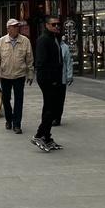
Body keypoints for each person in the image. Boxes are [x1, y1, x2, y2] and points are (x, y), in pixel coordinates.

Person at [0, 19, 33, 134]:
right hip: (5, 75)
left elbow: (29, 59)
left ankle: (17, 124)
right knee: (6, 99)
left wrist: (30, 73)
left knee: (19, 100)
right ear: (8, 28)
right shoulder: (1, 42)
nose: (16, 28)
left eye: (17, 26)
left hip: (19, 75)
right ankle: (9, 120)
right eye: (14, 26)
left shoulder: (25, 41)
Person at [32, 17, 65, 152]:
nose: (57, 26)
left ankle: (46, 137)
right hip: (48, 79)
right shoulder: (43, 39)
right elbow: (41, 62)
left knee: (51, 107)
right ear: (46, 25)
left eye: (58, 24)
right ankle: (39, 135)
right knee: (51, 108)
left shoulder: (55, 38)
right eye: (53, 24)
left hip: (55, 78)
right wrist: (51, 79)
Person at [53, 32, 73, 127]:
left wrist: (69, 76)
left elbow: (68, 62)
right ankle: (52, 117)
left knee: (60, 99)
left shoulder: (65, 47)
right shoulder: (50, 46)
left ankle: (57, 118)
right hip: (52, 78)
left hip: (62, 78)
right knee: (52, 99)